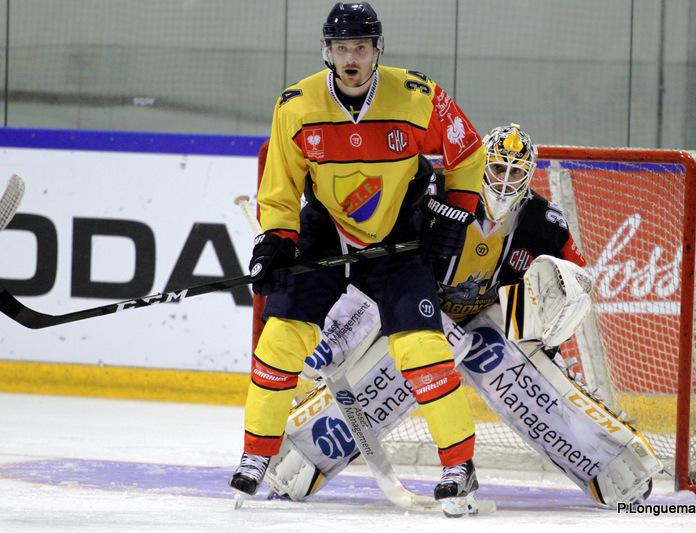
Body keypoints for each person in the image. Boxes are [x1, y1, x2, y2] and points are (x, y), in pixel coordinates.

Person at [261, 123, 662, 509]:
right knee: (413, 355)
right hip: (419, 313)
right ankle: (301, 450)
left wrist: (553, 318)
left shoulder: (545, 222)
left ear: (529, 176)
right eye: (498, 168)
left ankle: (607, 458)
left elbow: (574, 282)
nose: (504, 180)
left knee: (507, 364)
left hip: (492, 316)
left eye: (515, 172)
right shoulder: (433, 192)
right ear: (482, 164)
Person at [229, 2, 487, 516]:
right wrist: (275, 241)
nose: (352, 58)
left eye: (361, 48)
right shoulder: (296, 105)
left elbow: (468, 151)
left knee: (421, 347)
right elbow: (280, 187)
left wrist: (455, 217)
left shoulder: (416, 95)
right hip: (328, 231)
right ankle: (257, 454)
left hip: (400, 235)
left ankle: (459, 466)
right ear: (327, 51)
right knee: (280, 336)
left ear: (377, 50)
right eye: (342, 48)